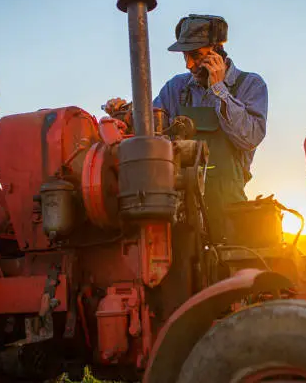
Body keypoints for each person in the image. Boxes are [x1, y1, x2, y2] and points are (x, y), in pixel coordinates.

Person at [105, 14, 268, 243]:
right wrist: (126, 115)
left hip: (229, 211)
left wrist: (219, 89)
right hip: (181, 212)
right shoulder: (176, 88)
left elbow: (249, 138)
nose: (188, 64)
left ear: (217, 51)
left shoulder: (250, 85)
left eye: (196, 56)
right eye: (185, 56)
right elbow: (151, 131)